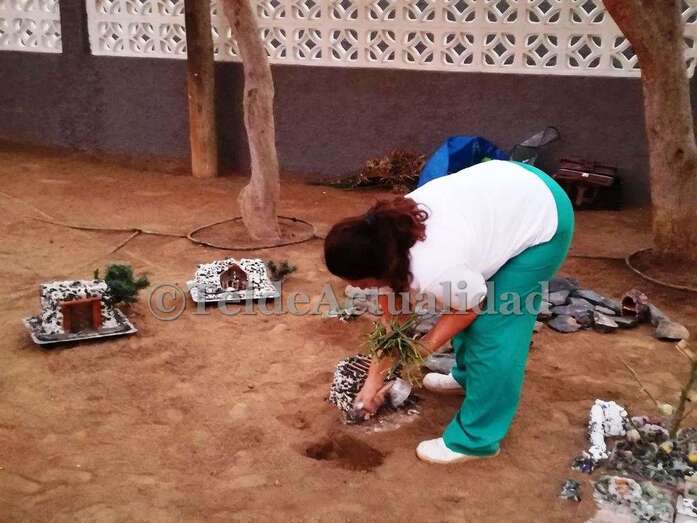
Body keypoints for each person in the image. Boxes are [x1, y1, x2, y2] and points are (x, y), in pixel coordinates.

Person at [323, 160, 574, 464]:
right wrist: (373, 380)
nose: (356, 288)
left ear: (378, 268)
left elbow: (467, 309)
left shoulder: (435, 269)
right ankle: (468, 379)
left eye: (360, 282)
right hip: (505, 192)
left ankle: (476, 440)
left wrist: (418, 354)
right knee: (464, 296)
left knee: (494, 330)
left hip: (542, 215)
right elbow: (393, 324)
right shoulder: (384, 242)